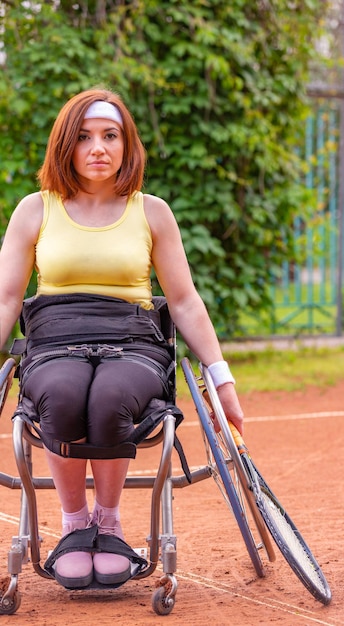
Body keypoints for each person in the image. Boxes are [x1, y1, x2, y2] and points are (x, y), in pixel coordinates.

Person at [0, 88, 244, 589]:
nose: (98, 147)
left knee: (111, 396)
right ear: (65, 145)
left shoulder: (151, 211)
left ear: (127, 144)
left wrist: (221, 380)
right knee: (62, 394)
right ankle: (73, 527)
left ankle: (107, 524)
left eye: (110, 136)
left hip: (133, 341)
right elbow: (6, 299)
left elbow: (184, 301)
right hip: (55, 340)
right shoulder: (34, 209)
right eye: (85, 136)